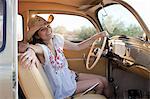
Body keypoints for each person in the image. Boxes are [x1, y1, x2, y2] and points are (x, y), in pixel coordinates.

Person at [20, 15, 111, 99]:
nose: (48, 30)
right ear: (37, 35)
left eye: (48, 26)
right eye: (42, 29)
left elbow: (78, 46)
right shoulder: (42, 49)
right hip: (65, 88)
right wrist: (31, 50)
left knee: (105, 80)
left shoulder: (57, 40)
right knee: (100, 83)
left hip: (70, 76)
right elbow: (24, 47)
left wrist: (97, 36)